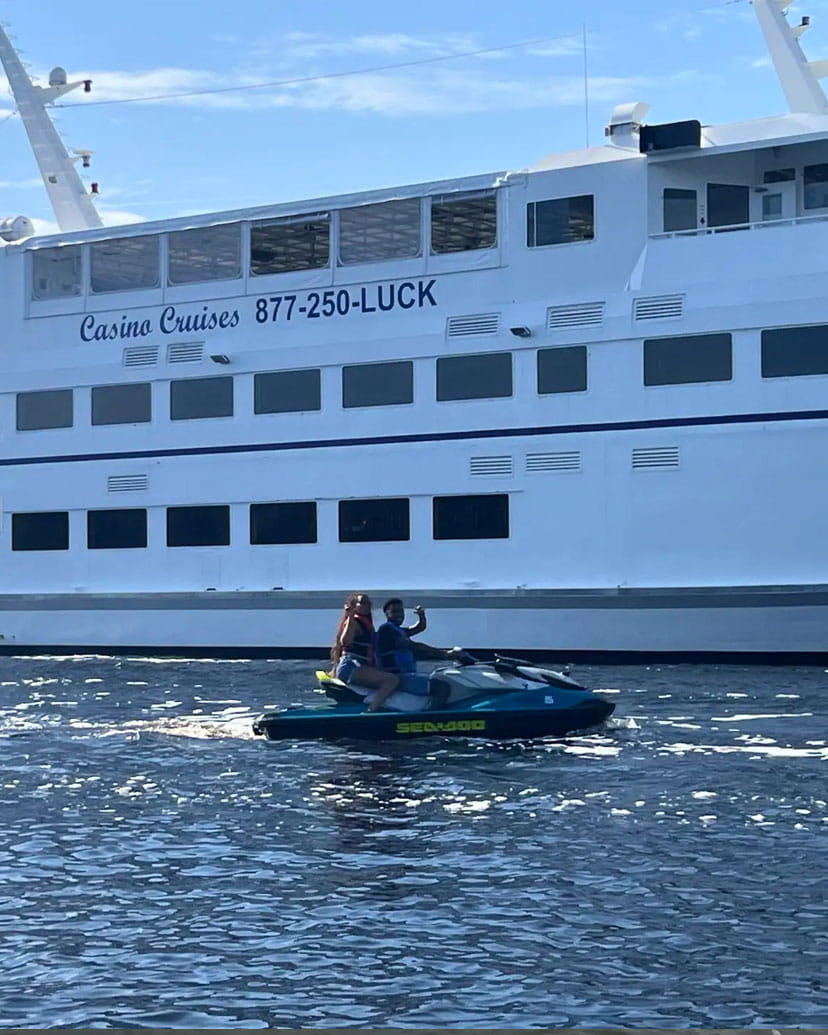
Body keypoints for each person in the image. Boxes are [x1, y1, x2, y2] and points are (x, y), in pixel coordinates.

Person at [376, 598, 461, 695]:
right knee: (442, 686)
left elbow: (420, 627)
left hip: (408, 674)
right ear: (387, 614)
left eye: (401, 611)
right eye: (394, 611)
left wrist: (421, 615)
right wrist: (444, 653)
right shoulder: (386, 630)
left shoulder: (399, 630)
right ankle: (433, 710)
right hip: (397, 677)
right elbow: (412, 645)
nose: (399, 614)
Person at [330, 592, 399, 711]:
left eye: (368, 603)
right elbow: (345, 641)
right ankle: (372, 710)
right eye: (363, 602)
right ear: (355, 605)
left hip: (360, 666)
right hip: (350, 667)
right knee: (392, 680)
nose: (367, 605)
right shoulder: (354, 622)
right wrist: (350, 615)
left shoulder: (366, 623)